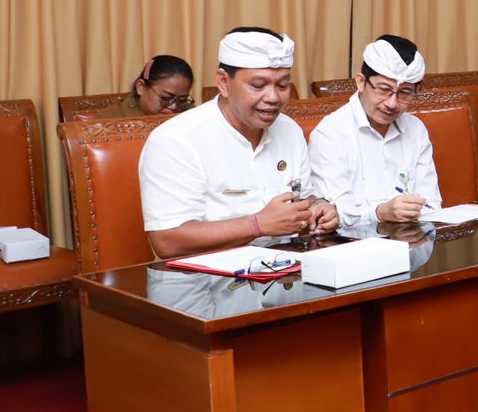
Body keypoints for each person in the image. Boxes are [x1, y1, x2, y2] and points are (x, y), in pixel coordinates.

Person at [139, 27, 338, 260]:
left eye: (282, 85)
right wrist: (257, 225)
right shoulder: (175, 140)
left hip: (284, 268)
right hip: (203, 277)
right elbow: (167, 242)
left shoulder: (289, 130)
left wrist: (318, 207)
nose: (273, 97)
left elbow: (304, 198)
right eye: (258, 86)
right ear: (224, 82)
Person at [308, 35, 442, 228]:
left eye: (404, 93)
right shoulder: (330, 133)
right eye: (383, 90)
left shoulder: (416, 129)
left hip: (412, 238)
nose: (392, 103)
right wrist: (379, 213)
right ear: (361, 82)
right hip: (353, 243)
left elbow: (431, 204)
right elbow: (335, 215)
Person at [97, 55, 196, 118]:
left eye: (182, 100)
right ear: (141, 87)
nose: (174, 107)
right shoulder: (109, 118)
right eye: (166, 98)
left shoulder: (191, 115)